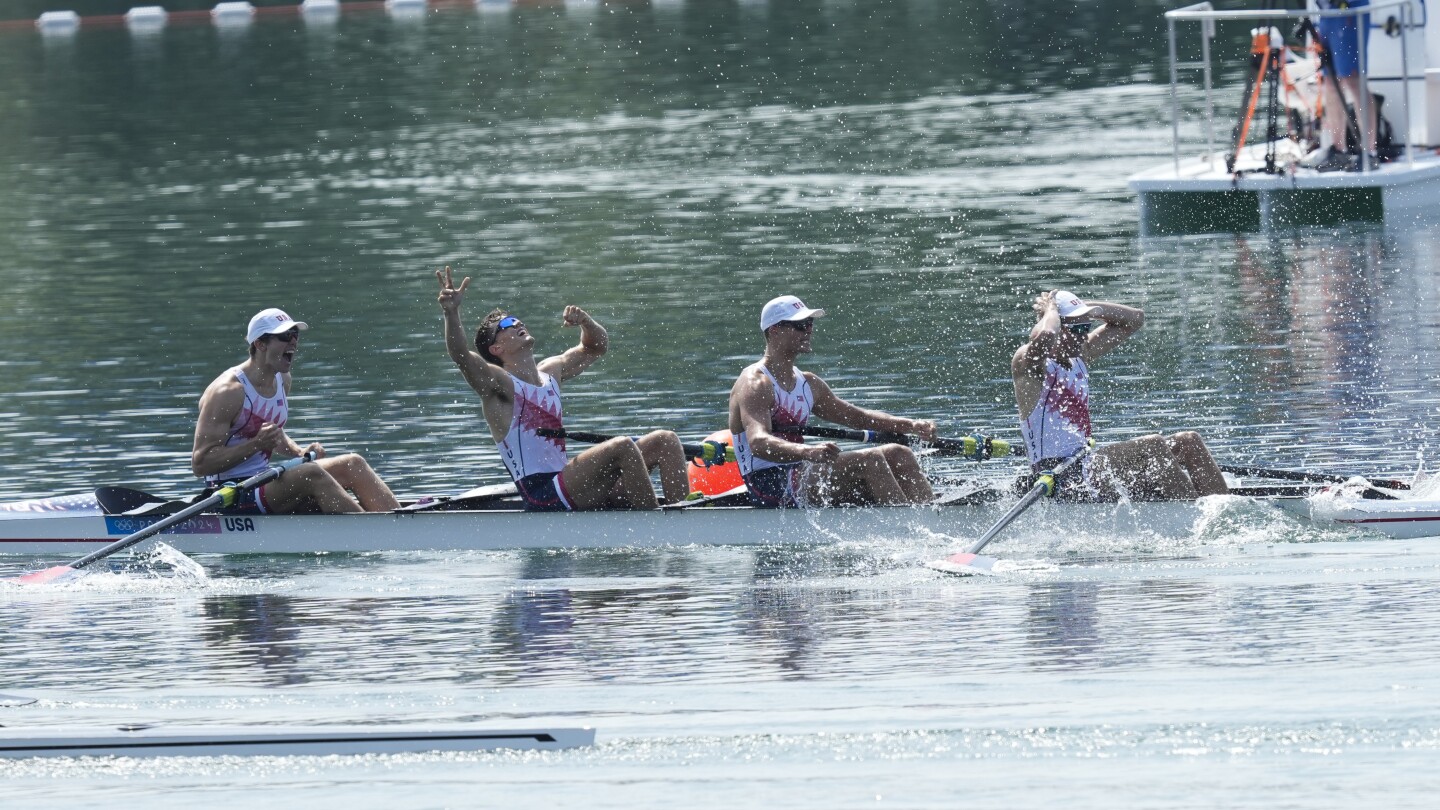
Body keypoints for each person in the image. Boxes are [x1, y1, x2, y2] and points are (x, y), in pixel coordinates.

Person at [435, 267, 688, 510]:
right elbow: (460, 355)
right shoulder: (499, 385)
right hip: (543, 495)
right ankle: (656, 525)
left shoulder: (552, 371)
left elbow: (596, 347)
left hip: (570, 484)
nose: (516, 323)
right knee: (621, 445)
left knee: (665, 440)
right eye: (506, 325)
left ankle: (683, 515)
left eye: (515, 319)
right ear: (496, 349)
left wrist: (586, 322)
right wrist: (451, 312)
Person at [1012, 290, 1229, 501]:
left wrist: (1085, 310)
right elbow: (1045, 336)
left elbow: (1135, 319)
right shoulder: (1029, 364)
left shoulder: (1080, 355)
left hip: (1086, 464)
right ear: (1057, 326)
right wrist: (1051, 308)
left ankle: (1220, 513)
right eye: (1077, 328)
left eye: (1086, 327)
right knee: (1152, 445)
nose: (1083, 335)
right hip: (1059, 475)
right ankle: (1190, 517)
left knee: (1189, 441)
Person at [727, 294, 937, 508]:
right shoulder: (755, 383)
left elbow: (858, 418)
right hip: (768, 483)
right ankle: (906, 530)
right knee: (870, 459)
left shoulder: (809, 383)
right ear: (774, 330)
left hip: (801, 471)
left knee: (899, 453)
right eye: (800, 325)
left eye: (810, 323)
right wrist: (808, 451)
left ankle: (931, 521)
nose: (808, 330)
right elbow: (759, 443)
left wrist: (910, 425)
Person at [192, 308, 400, 514]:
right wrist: (256, 444)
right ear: (260, 344)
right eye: (284, 336)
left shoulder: (282, 379)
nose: (293, 342)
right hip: (231, 493)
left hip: (264, 480)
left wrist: (298, 452)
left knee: (353, 464)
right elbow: (201, 464)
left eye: (295, 335)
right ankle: (372, 534)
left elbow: (271, 433)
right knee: (310, 473)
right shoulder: (227, 392)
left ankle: (401, 526)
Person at [1303, 0, 1378, 172]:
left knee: (1353, 80)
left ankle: (1370, 153)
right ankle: (1339, 151)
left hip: (1349, 11)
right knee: (1330, 82)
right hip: (1327, 13)